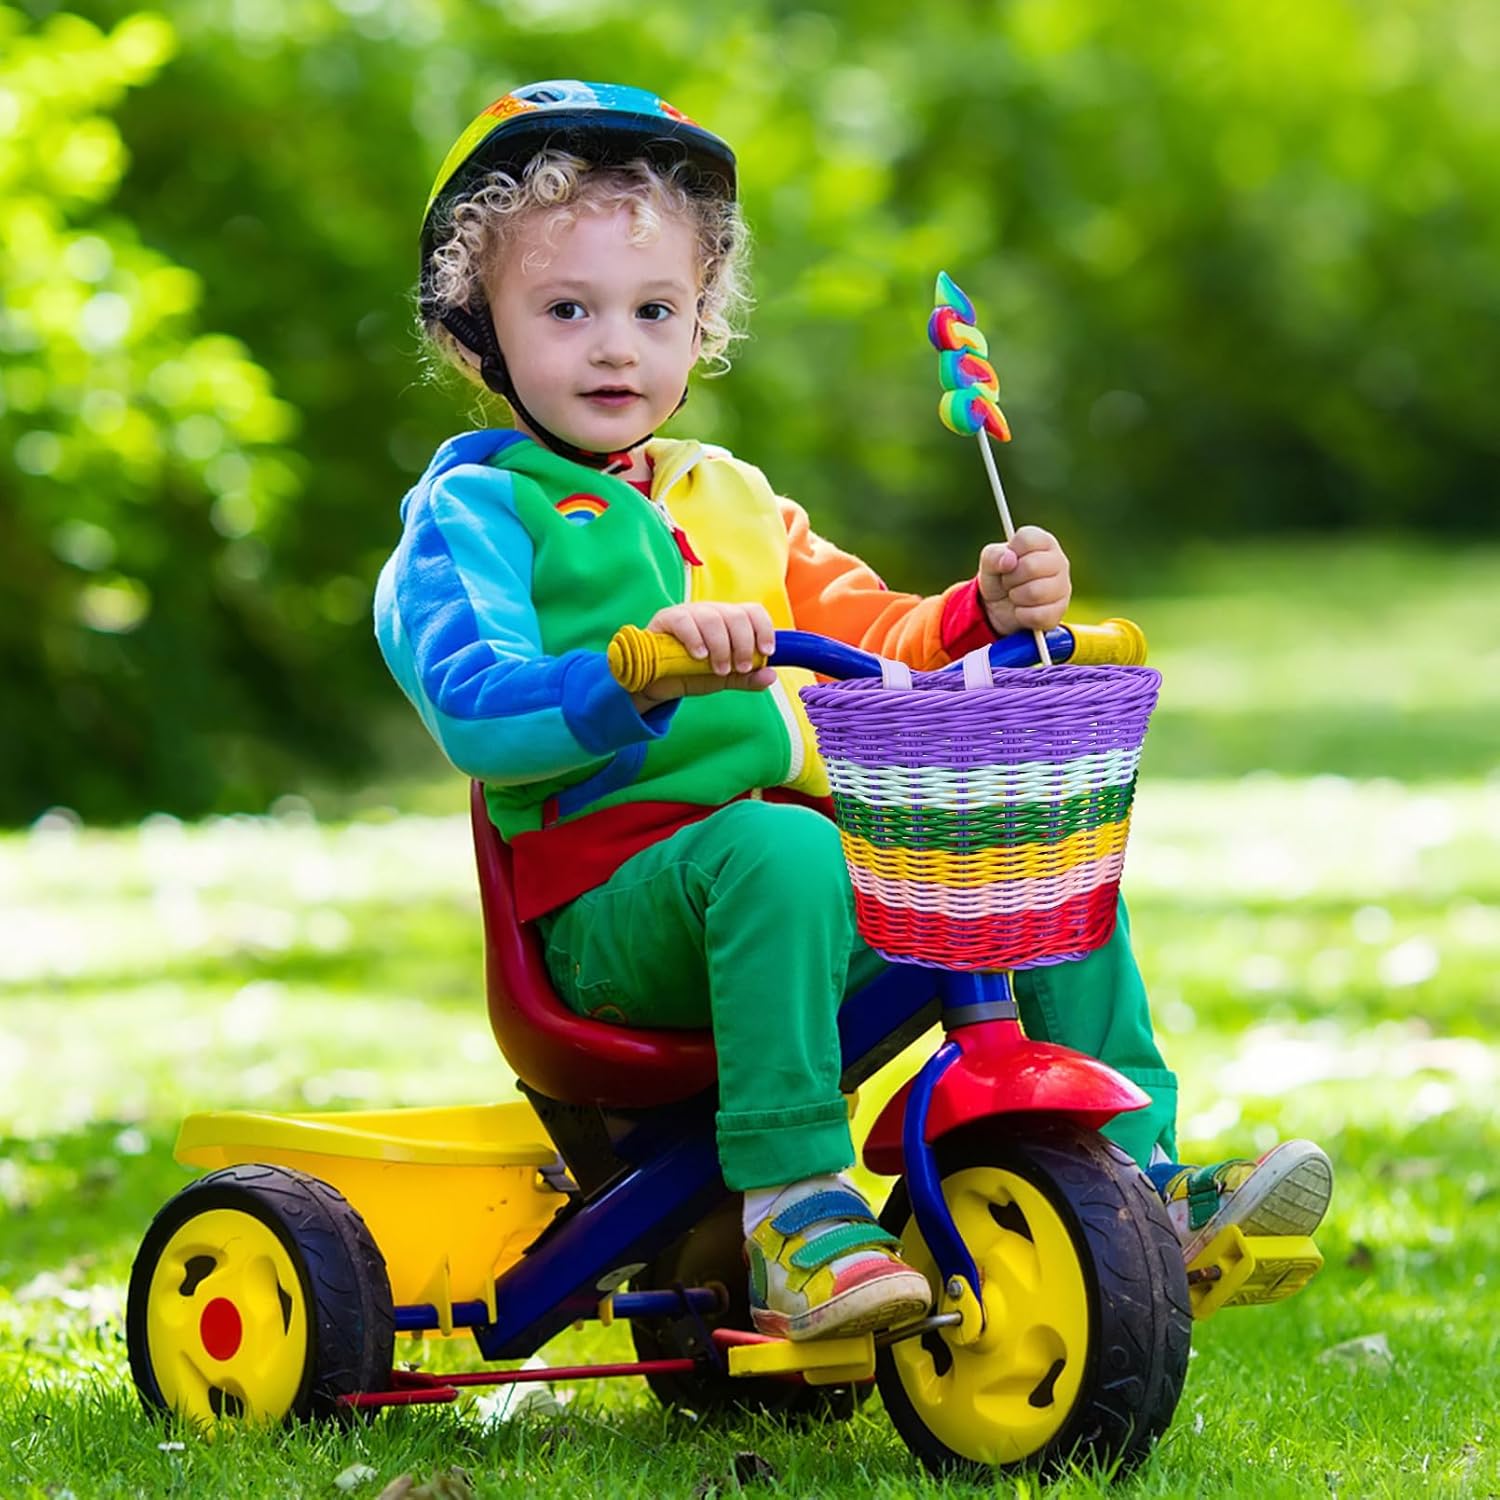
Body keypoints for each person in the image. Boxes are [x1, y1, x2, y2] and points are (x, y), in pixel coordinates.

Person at [375, 80, 1332, 1341]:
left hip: (800, 876)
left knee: (1028, 854)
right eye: (567, 310)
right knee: (782, 849)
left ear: (700, 322)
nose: (616, 348)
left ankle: (1133, 1175)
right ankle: (793, 1202)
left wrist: (982, 609)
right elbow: (475, 704)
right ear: (476, 327)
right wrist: (630, 673)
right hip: (612, 914)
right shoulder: (475, 512)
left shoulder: (732, 497)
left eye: (655, 311)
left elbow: (876, 635)